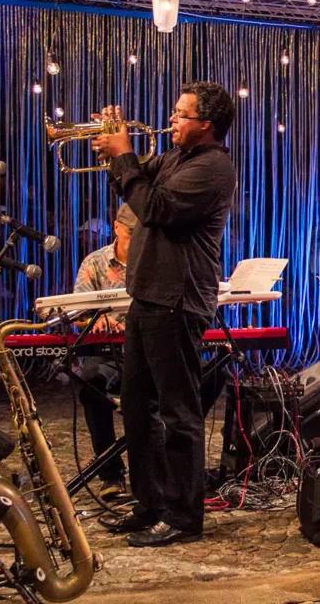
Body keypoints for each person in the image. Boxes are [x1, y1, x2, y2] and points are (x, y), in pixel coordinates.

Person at [91, 82, 237, 547]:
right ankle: (150, 503)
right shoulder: (175, 157)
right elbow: (133, 186)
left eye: (180, 114)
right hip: (149, 295)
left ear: (206, 125)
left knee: (179, 413)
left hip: (176, 298)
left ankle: (182, 515)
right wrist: (114, 152)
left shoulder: (214, 167)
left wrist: (124, 154)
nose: (171, 120)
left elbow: (154, 209)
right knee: (137, 408)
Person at [72, 202, 137, 500]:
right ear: (116, 227)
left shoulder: (153, 262)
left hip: (146, 350)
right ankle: (110, 474)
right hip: (107, 352)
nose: (136, 240)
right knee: (90, 382)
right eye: (131, 233)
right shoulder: (94, 263)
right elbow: (75, 313)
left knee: (205, 377)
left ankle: (159, 467)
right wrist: (96, 319)